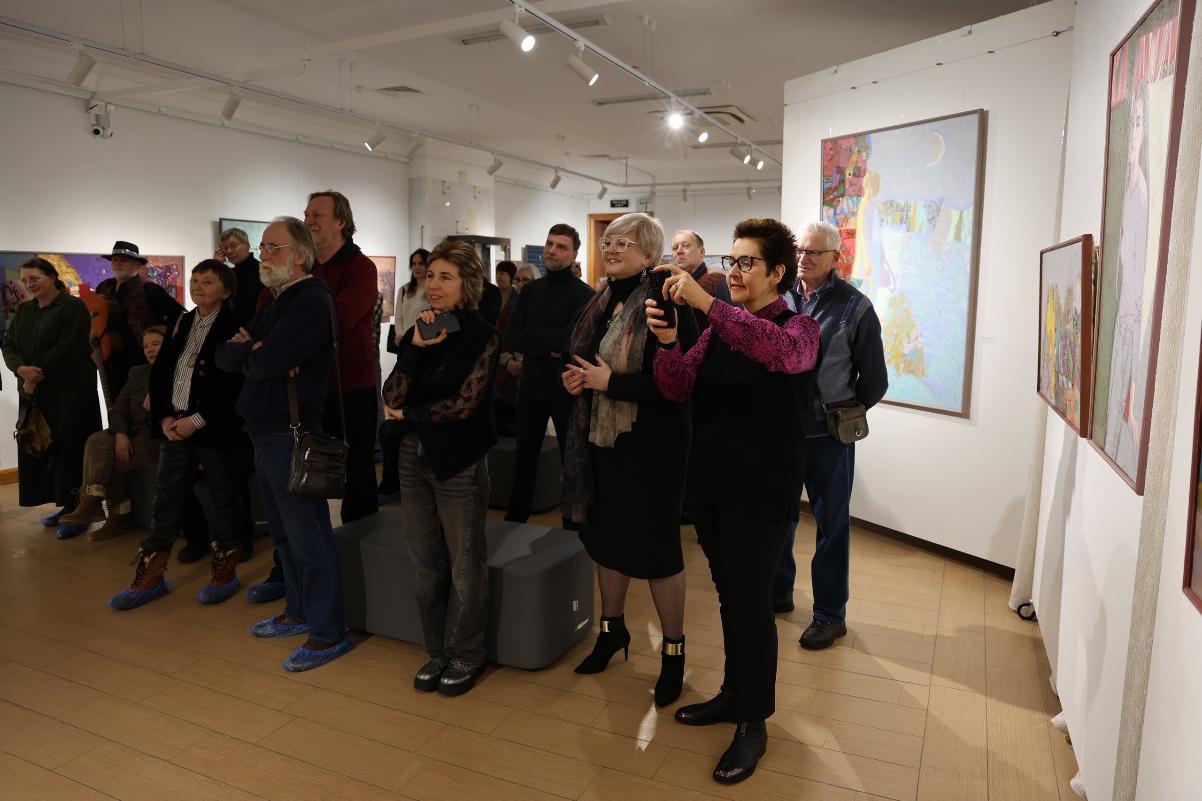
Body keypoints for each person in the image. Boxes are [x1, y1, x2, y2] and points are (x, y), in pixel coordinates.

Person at [650, 217, 820, 784]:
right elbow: (676, 385)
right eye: (732, 260)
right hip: (713, 485)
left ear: (777, 273)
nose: (736, 271)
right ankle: (732, 693)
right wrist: (668, 342)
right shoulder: (719, 331)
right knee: (729, 596)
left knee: (751, 606)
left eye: (747, 262)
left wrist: (708, 303)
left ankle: (753, 722)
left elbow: (777, 352)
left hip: (762, 490)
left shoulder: (800, 329)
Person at [560, 213, 697, 707]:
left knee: (658, 552)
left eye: (624, 242)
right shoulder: (600, 297)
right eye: (608, 241)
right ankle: (612, 631)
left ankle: (674, 654)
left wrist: (611, 383)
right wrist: (578, 381)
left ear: (648, 252)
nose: (612, 248)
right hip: (603, 440)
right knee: (606, 540)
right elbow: (585, 360)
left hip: (653, 448)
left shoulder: (667, 297)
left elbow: (680, 384)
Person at [216, 216, 354, 672]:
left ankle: (328, 631)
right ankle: (298, 612)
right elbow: (225, 354)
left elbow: (269, 360)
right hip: (265, 429)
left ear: (299, 256)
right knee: (283, 534)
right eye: (262, 247)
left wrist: (258, 350)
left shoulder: (311, 299)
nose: (263, 255)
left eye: (272, 248)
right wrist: (252, 349)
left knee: (308, 536)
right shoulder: (278, 300)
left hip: (289, 431)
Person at [383, 240, 500, 697]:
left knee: (465, 565)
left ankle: (467, 652)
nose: (434, 284)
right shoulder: (424, 327)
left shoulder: (484, 335)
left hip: (459, 460)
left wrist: (409, 415)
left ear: (467, 284)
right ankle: (437, 649)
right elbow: (392, 394)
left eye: (445, 277)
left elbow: (464, 404)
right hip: (412, 456)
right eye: (431, 275)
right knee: (426, 563)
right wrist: (413, 347)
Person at [108, 260, 249, 610]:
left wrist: (196, 420)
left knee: (223, 498)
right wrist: (165, 417)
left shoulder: (235, 325)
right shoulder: (183, 321)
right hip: (176, 426)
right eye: (195, 280)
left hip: (214, 429)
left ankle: (225, 572)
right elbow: (162, 370)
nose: (198, 286)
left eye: (208, 282)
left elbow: (231, 384)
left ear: (226, 291)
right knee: (166, 497)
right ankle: (151, 576)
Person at [773, 221, 887, 649]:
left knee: (832, 526)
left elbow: (875, 380)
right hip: (782, 431)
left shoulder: (855, 307)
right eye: (801, 251)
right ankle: (779, 594)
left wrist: (841, 412)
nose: (804, 259)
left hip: (828, 438)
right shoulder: (781, 297)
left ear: (835, 258)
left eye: (814, 252)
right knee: (779, 519)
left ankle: (829, 615)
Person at [503, 224, 594, 524]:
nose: (552, 251)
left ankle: (572, 524)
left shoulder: (584, 294)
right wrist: (551, 344)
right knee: (524, 454)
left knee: (571, 456)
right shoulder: (531, 291)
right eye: (549, 244)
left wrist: (534, 334)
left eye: (561, 246)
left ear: (574, 254)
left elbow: (571, 341)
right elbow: (512, 336)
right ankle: (516, 519)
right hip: (531, 382)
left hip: (566, 385)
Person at [3, 258, 102, 528]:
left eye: (34, 278)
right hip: (34, 393)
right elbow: (9, 346)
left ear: (52, 276)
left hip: (70, 393)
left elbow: (68, 349)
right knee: (44, 450)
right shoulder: (25, 311)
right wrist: (21, 370)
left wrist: (35, 375)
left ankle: (80, 512)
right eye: (25, 280)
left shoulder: (73, 307)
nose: (29, 285)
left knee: (71, 450)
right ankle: (65, 506)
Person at [306, 190, 379, 524]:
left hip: (351, 385)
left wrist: (294, 321)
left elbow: (338, 320)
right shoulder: (306, 266)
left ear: (341, 222)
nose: (309, 220)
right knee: (310, 468)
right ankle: (314, 541)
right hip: (312, 384)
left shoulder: (361, 268)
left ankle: (360, 538)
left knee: (357, 467)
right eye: (307, 214)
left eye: (317, 215)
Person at [56, 326, 165, 540]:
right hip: (130, 434)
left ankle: (113, 514)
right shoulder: (137, 372)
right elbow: (118, 409)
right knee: (96, 440)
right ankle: (96, 503)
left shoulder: (178, 373)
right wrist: (121, 434)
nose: (149, 350)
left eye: (156, 344)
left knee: (107, 459)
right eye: (145, 346)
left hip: (154, 438)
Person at [95, 241, 185, 396]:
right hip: (111, 359)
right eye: (115, 260)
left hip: (141, 358)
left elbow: (180, 315)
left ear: (137, 264)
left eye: (123, 260)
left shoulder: (150, 289)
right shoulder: (104, 288)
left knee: (141, 402)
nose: (118, 263)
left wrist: (162, 341)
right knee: (116, 401)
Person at [378, 248, 431, 504]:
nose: (417, 267)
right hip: (407, 345)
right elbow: (399, 316)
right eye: (414, 263)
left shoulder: (429, 292)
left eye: (422, 263)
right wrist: (401, 335)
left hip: (423, 344)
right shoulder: (405, 290)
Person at [493, 262, 532, 437]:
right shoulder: (510, 305)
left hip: (532, 365)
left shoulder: (542, 305)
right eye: (519, 279)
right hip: (508, 363)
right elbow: (500, 333)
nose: (521, 283)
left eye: (526, 280)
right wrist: (508, 360)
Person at [670, 229, 731, 330]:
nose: (679, 251)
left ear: (701, 251)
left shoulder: (717, 279)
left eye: (686, 245)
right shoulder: (672, 283)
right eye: (675, 248)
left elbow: (732, 322)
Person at [216, 227, 265, 326]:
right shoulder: (229, 274)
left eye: (233, 246)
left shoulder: (263, 271)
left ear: (247, 245)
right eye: (225, 248)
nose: (229, 251)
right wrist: (216, 266)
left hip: (254, 331)